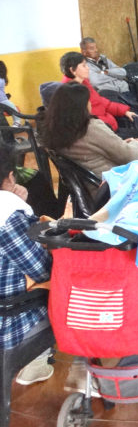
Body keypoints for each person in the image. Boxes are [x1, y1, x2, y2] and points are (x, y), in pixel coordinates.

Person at [0, 143, 55, 386]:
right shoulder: (7, 215)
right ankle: (37, 360)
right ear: (10, 177)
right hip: (9, 323)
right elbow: (43, 270)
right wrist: (22, 208)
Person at [42, 83, 138, 177]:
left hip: (87, 186)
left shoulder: (54, 128)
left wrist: (117, 144)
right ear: (80, 106)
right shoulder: (90, 127)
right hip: (113, 184)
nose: (90, 103)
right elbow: (130, 156)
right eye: (88, 101)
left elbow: (90, 150)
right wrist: (136, 144)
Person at [60, 51, 137, 133]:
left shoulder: (84, 82)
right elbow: (87, 121)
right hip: (100, 133)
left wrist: (123, 111)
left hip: (109, 128)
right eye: (84, 66)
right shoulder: (70, 91)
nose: (88, 68)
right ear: (72, 70)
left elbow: (101, 102)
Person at [0, 60, 22, 126]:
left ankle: (17, 122)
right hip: (3, 100)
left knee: (14, 110)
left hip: (2, 100)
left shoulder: (1, 79)